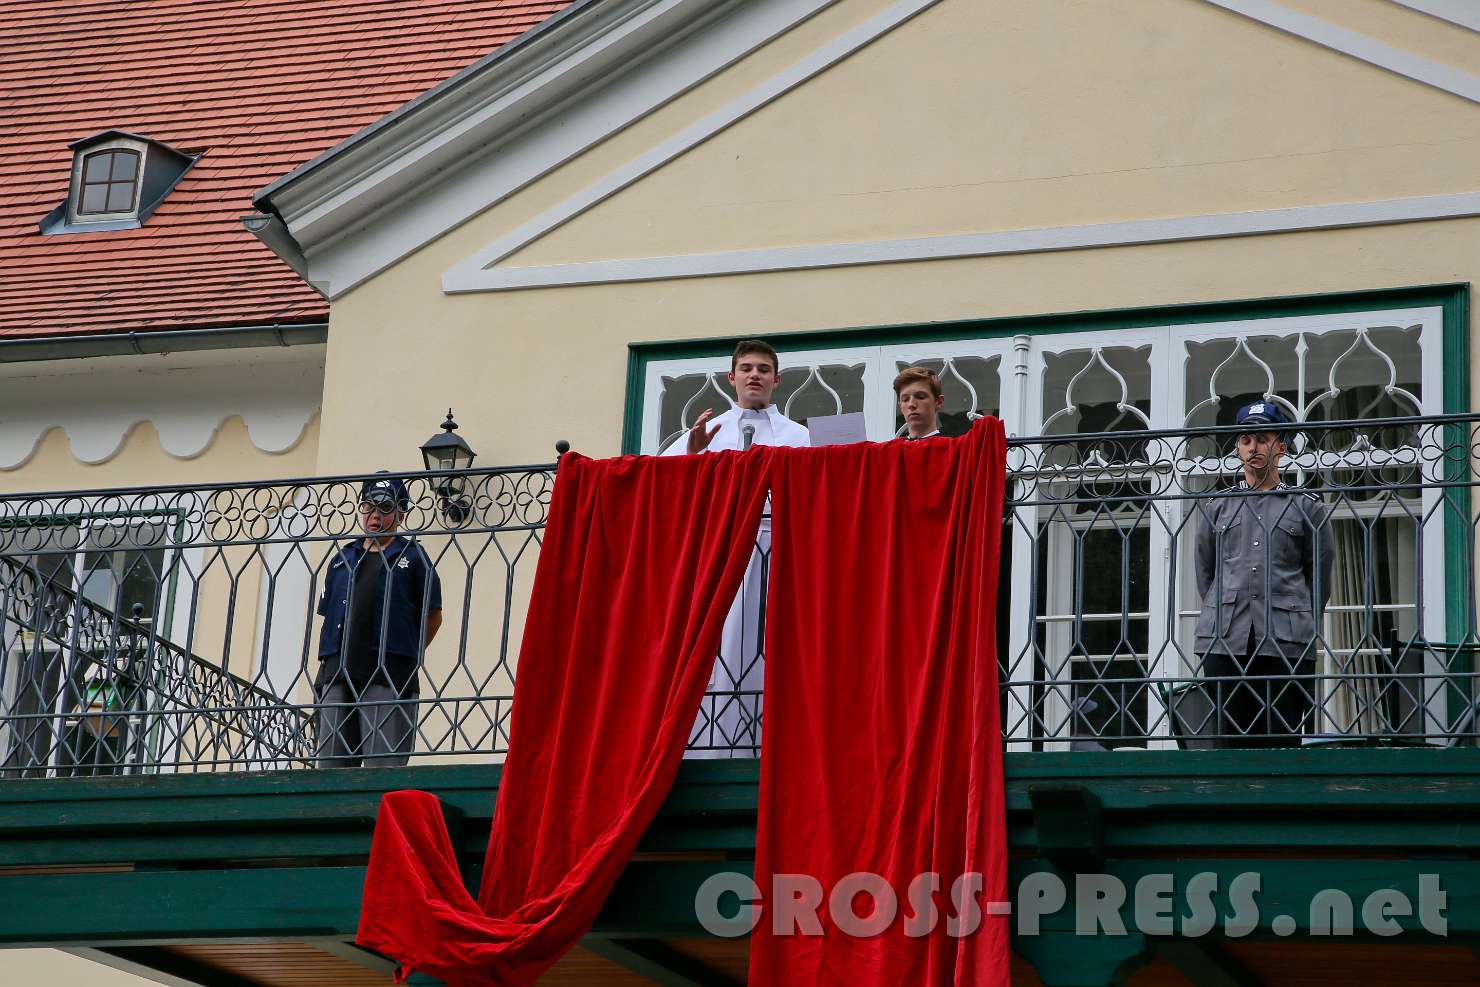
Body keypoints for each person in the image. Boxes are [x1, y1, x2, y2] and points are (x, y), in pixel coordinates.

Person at [663, 340, 808, 757]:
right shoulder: (707, 433)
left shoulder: (799, 436)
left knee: (770, 643)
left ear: (777, 380)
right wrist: (692, 455)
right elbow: (664, 495)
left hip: (777, 552)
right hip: (719, 554)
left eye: (763, 368)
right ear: (732, 377)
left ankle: (768, 744)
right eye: (746, 368)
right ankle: (709, 747)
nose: (755, 375)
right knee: (718, 645)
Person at [1194, 401, 1332, 748]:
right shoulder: (1218, 507)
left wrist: (1300, 622)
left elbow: (1319, 577)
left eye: (1262, 438)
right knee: (1229, 744)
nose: (1253, 448)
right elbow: (1205, 573)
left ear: (1281, 447)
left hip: (1286, 642)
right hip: (1225, 642)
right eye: (1245, 440)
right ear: (1238, 449)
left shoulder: (1306, 506)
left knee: (1282, 743)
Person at [314, 473, 442, 767]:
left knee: (382, 764)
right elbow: (327, 614)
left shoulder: (413, 557)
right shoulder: (342, 559)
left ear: (400, 514)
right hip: (337, 669)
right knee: (331, 765)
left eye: (384, 508)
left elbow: (433, 614)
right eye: (369, 507)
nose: (375, 516)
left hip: (389, 668)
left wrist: (410, 650)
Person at [894, 366, 945, 439]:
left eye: (920, 397)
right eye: (905, 399)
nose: (911, 404)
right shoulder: (888, 449)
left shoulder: (953, 447)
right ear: (900, 406)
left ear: (939, 402)